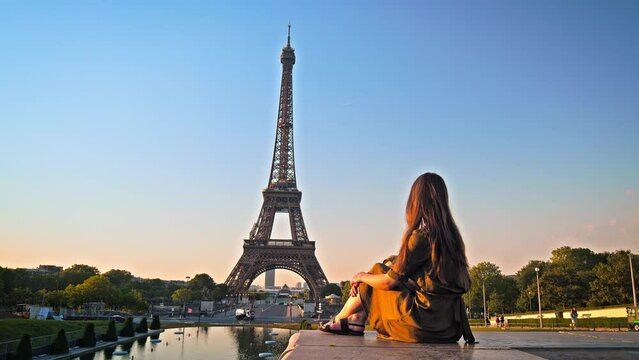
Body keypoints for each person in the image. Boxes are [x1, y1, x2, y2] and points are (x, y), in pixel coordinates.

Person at [319, 172, 475, 343]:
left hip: (422, 327)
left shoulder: (422, 237)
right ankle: (356, 321)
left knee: (376, 272)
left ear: (416, 201)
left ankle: (343, 318)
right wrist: (393, 261)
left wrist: (361, 276)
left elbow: (388, 282)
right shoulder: (454, 239)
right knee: (382, 270)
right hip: (449, 329)